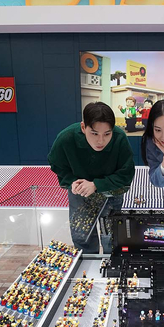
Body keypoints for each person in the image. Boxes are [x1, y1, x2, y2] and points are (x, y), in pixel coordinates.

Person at [48, 102, 135, 253]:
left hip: (111, 191)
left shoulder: (119, 138)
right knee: (82, 236)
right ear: (83, 127)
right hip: (81, 192)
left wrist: (96, 184)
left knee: (112, 236)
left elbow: (126, 174)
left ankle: (112, 268)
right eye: (94, 133)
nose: (100, 141)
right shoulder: (66, 138)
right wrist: (71, 182)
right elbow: (57, 165)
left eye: (107, 134)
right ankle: (88, 272)